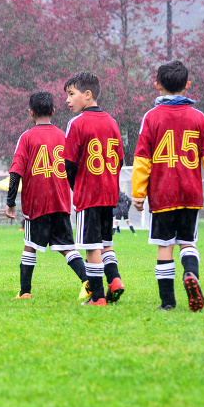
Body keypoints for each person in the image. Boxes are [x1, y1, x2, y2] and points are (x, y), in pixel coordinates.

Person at [131, 60, 204, 312]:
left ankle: (167, 302)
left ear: (157, 85)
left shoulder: (151, 117)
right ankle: (190, 274)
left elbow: (142, 158)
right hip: (190, 193)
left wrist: (138, 194)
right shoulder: (199, 117)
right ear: (187, 85)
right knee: (187, 242)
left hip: (162, 194)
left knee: (165, 246)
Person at [5, 91, 87, 299]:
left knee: (30, 246)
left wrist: (10, 201)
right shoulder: (63, 136)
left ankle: (25, 292)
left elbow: (15, 172)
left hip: (37, 203)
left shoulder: (27, 137)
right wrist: (75, 192)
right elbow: (72, 169)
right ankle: (88, 281)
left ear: (31, 113)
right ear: (53, 111)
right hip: (60, 202)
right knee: (67, 248)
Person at [63, 71, 125, 306]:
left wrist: (75, 186)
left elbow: (69, 163)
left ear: (87, 95)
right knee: (105, 242)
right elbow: (119, 160)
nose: (67, 100)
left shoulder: (76, 123)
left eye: (71, 94)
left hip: (89, 193)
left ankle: (98, 298)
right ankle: (115, 280)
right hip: (109, 194)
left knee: (91, 247)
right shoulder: (112, 122)